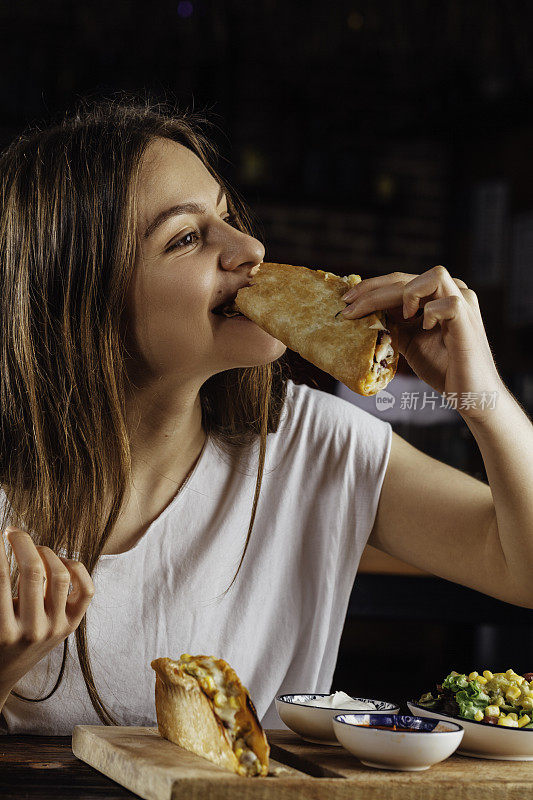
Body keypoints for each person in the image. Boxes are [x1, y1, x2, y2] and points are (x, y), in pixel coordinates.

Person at [0, 100, 532, 735]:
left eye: (226, 216)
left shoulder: (315, 445)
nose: (250, 248)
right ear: (81, 303)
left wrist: (481, 396)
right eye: (187, 237)